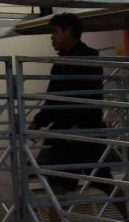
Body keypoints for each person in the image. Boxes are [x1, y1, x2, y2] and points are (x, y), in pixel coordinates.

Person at [31, 12, 112, 201]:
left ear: (68, 32)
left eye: (55, 31)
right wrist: (38, 122)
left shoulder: (87, 59)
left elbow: (91, 95)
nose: (52, 37)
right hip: (67, 130)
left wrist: (79, 124)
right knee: (57, 182)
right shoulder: (64, 62)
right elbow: (53, 97)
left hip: (83, 131)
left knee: (101, 180)